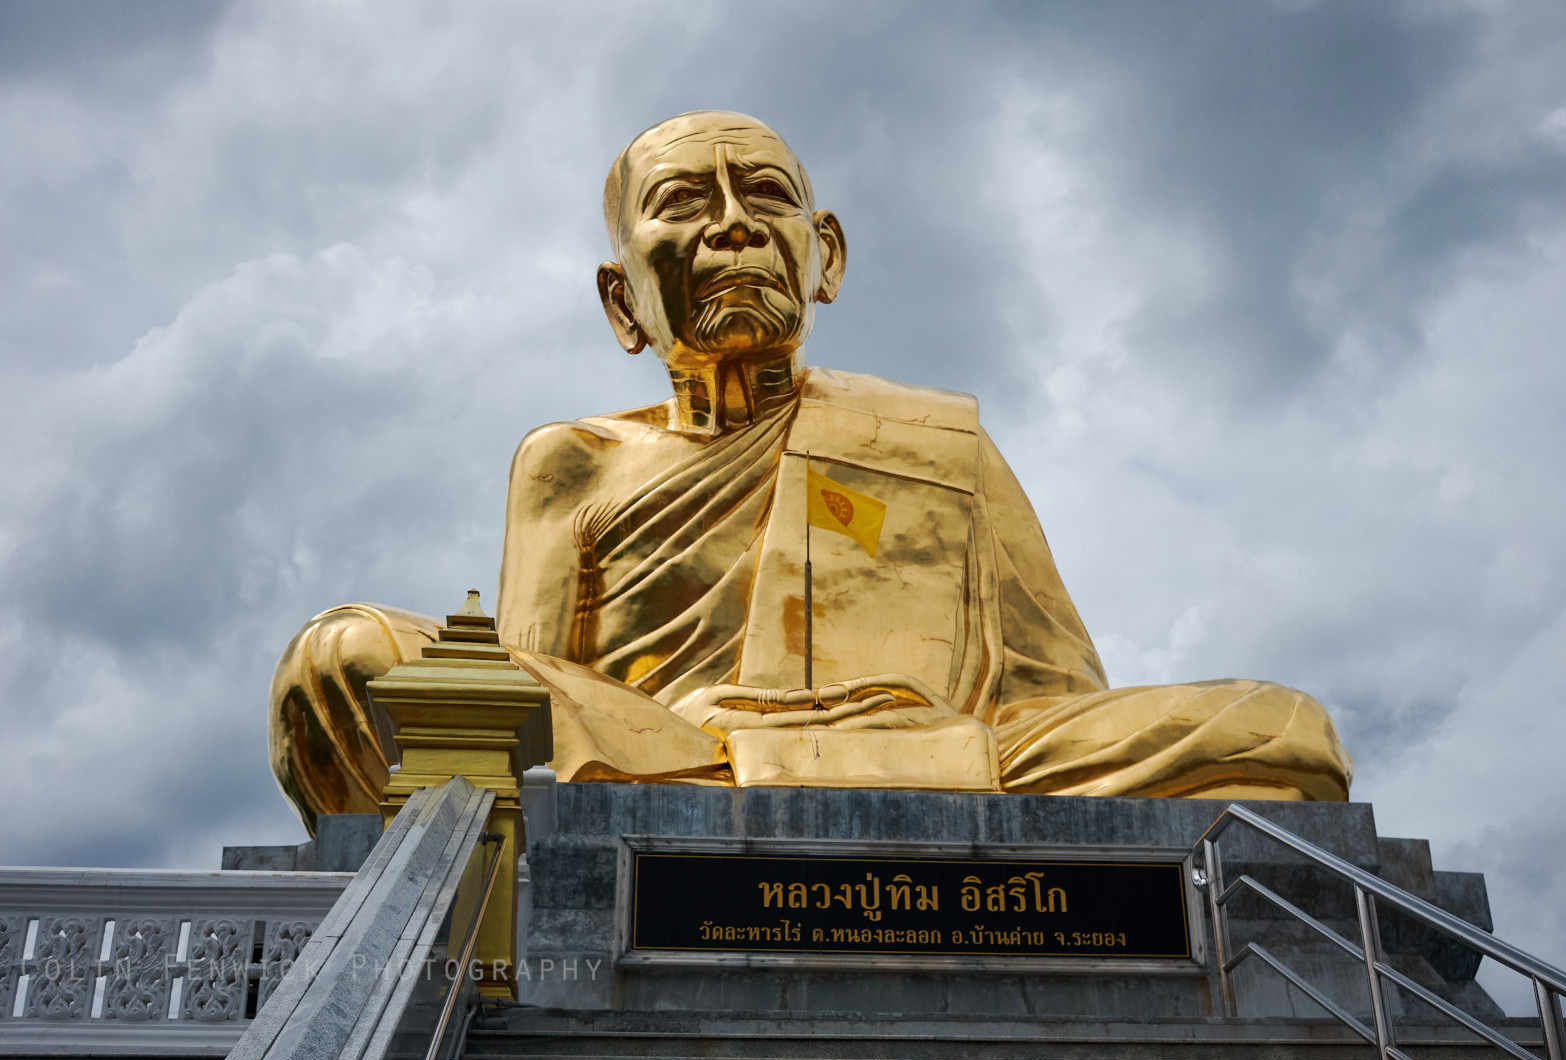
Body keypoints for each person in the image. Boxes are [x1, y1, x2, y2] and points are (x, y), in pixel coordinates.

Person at [269, 111, 1352, 832]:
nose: (734, 225)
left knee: (1283, 729)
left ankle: (814, 771)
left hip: (939, 745)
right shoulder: (574, 462)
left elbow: (1055, 694)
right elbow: (531, 695)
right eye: (685, 203)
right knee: (351, 662)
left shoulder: (936, 436)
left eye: (766, 197)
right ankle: (780, 766)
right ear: (620, 302)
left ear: (824, 253)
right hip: (682, 741)